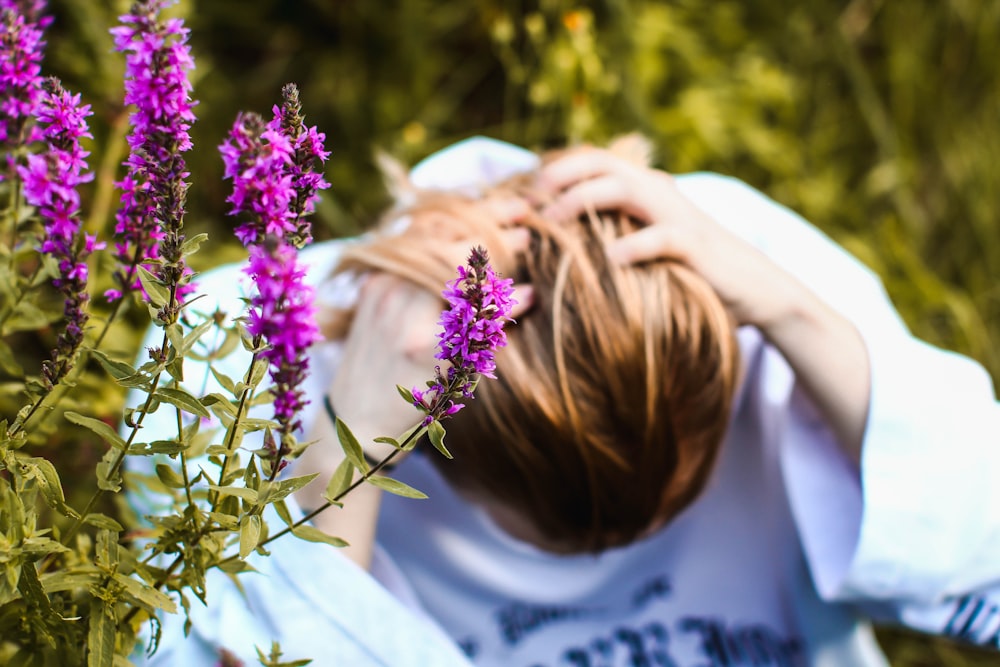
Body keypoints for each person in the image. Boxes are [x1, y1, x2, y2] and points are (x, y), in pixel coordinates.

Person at [134, 136, 1000, 666]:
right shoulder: (236, 352)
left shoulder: (732, 257)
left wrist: (795, 310)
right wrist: (344, 454)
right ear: (438, 437)